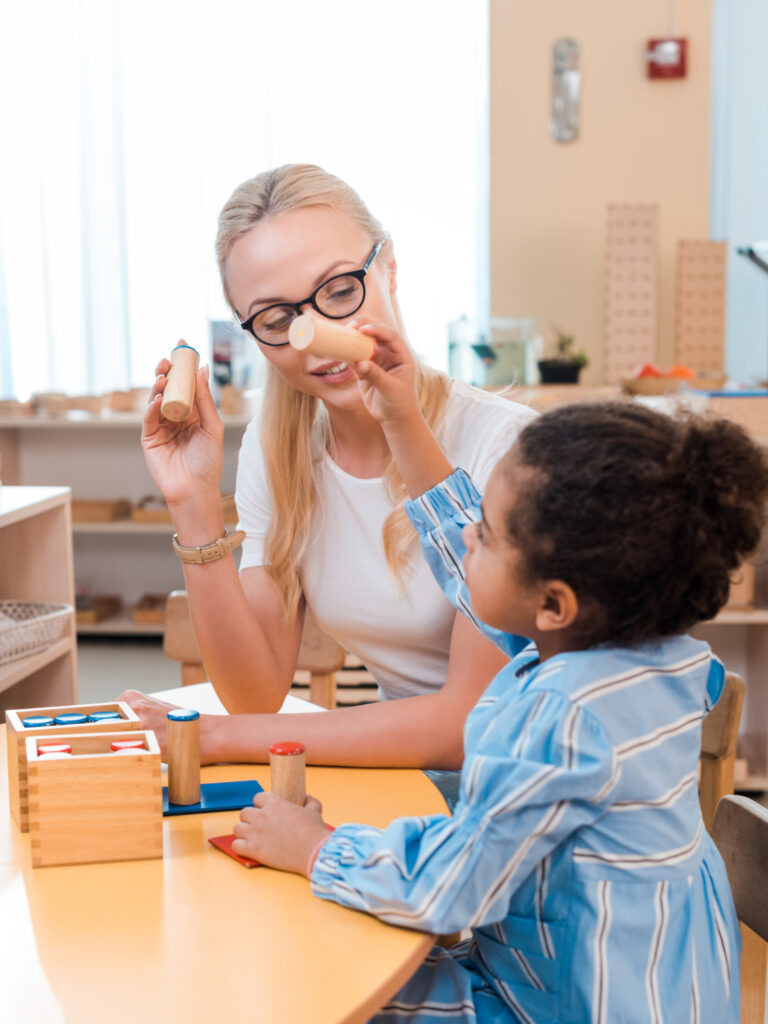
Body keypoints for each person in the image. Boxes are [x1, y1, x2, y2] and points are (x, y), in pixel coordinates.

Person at [229, 349, 768, 1022]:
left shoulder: (560, 719)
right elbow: (479, 582)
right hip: (656, 975)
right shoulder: (638, 651)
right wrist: (402, 421)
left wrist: (315, 847)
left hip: (570, 999)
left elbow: (451, 888)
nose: (463, 533)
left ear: (555, 604)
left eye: (483, 531)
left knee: (322, 987)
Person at [120, 164, 536, 794]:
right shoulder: (279, 449)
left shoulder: (507, 445)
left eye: (340, 291)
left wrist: (213, 738)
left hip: (522, 793)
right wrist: (193, 503)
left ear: (388, 268)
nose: (314, 338)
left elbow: (467, 726)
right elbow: (257, 692)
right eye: (275, 318)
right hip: (410, 787)